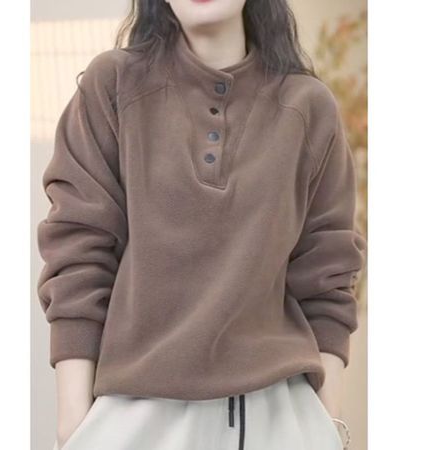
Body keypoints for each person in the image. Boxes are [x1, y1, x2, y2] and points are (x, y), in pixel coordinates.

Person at [36, 0, 366, 449]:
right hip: (135, 413)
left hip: (277, 415)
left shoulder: (309, 107)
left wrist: (327, 424)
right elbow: (78, 248)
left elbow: (329, 273)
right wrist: (74, 426)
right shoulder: (112, 85)